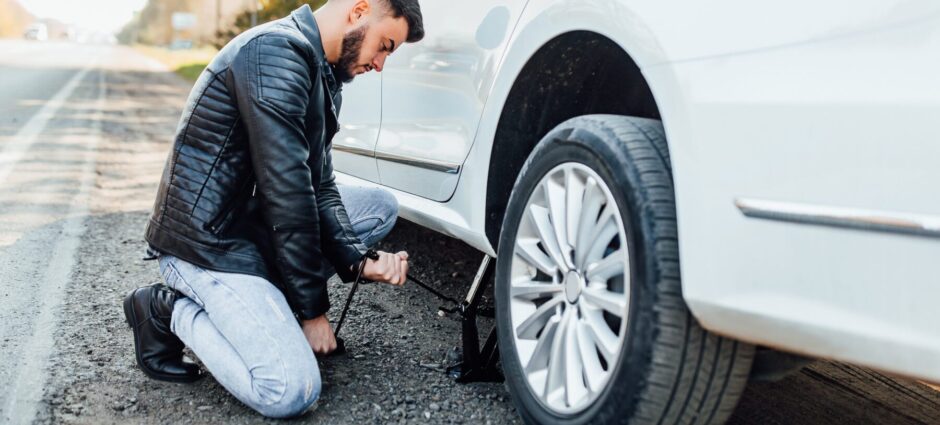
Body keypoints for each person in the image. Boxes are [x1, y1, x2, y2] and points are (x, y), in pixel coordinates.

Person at [122, 0, 424, 418]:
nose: (380, 64)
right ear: (358, 11)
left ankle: (269, 305)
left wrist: (358, 260)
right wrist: (312, 312)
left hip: (249, 226)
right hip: (206, 244)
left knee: (379, 206)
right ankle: (165, 309)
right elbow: (289, 193)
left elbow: (319, 185)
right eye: (385, 45)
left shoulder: (322, 68)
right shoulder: (275, 54)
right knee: (289, 390)